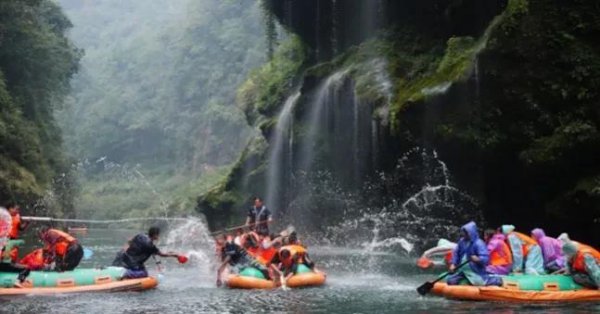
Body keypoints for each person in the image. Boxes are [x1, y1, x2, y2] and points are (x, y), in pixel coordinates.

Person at [113, 226, 183, 279]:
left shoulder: (140, 235)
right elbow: (162, 254)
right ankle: (126, 273)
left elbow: (129, 241)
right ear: (155, 235)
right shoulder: (151, 246)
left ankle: (118, 270)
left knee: (141, 266)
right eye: (158, 234)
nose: (158, 236)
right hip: (132, 264)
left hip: (123, 258)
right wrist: (176, 255)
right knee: (144, 273)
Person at [447, 221, 501, 286]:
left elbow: (486, 259)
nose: (464, 234)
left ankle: (496, 280)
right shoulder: (461, 242)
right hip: (463, 271)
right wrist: (453, 264)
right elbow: (456, 254)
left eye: (466, 232)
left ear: (471, 232)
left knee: (479, 283)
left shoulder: (479, 243)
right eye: (464, 232)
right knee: (450, 281)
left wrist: (478, 259)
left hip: (475, 271)